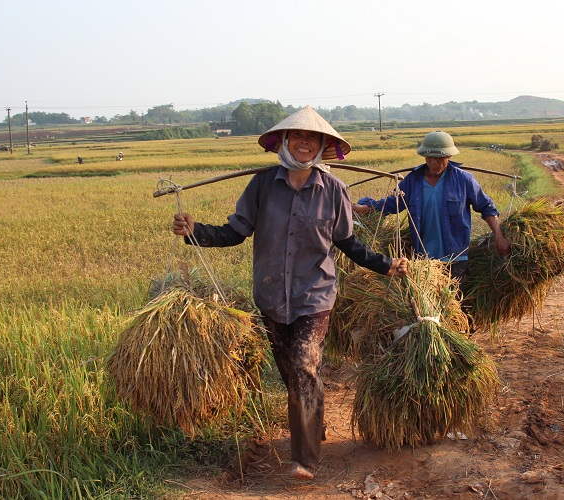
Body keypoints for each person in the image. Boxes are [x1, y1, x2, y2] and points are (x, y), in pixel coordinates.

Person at [172, 106, 408, 481]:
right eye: (296, 136)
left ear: (321, 146)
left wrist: (385, 265)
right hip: (270, 296)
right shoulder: (263, 185)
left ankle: (305, 460)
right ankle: (314, 425)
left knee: (303, 363)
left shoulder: (333, 190)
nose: (303, 142)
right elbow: (235, 232)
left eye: (311, 138)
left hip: (315, 296)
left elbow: (348, 242)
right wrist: (194, 230)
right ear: (283, 142)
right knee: (292, 373)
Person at [353, 130, 510, 279]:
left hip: (455, 259)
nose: (433, 162)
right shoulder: (412, 181)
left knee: (453, 303)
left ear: (449, 156)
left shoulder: (464, 180)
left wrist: (499, 236)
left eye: (438, 158)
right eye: (429, 158)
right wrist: (365, 208)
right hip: (423, 259)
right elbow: (392, 204)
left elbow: (487, 207)